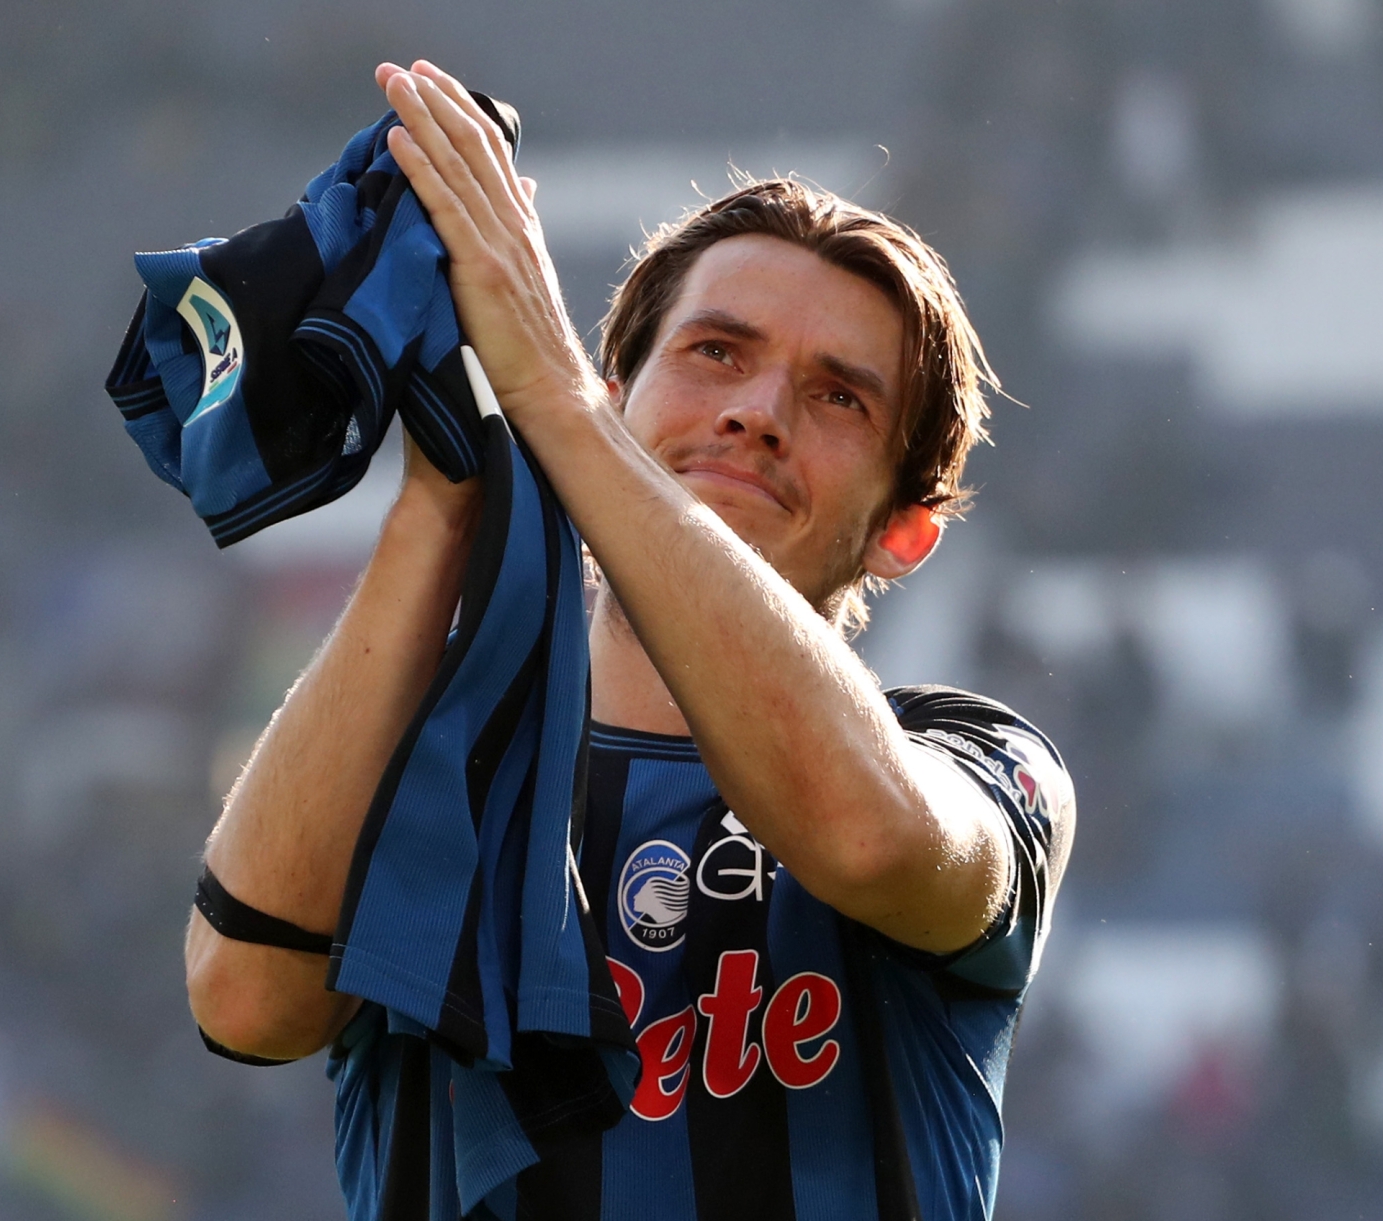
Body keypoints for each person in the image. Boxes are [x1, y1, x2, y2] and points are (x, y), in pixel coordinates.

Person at [184, 59, 1075, 1221]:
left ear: (903, 535)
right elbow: (245, 1003)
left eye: (838, 397)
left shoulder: (974, 761)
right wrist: (447, 494)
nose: (757, 410)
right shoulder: (427, 771)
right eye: (715, 351)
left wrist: (554, 405)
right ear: (626, 394)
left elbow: (866, 840)